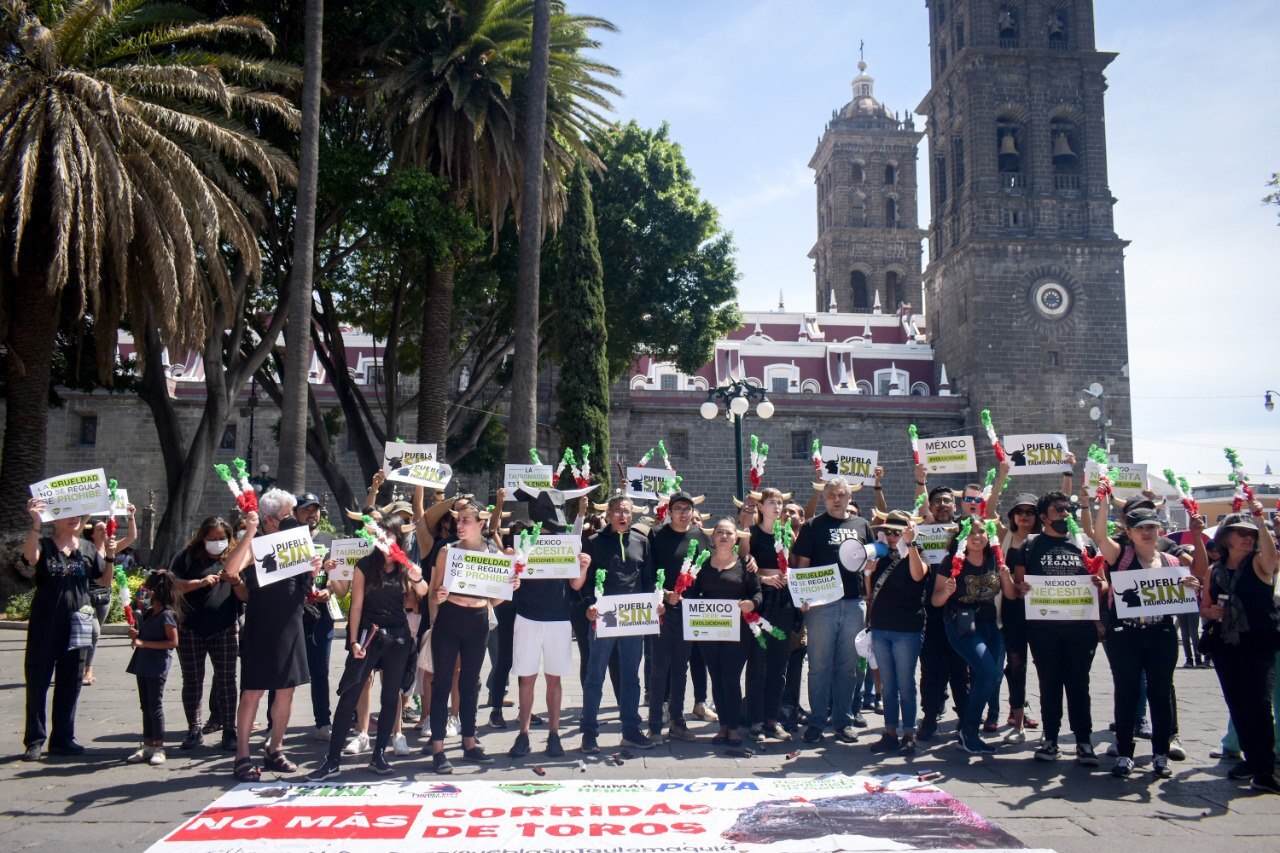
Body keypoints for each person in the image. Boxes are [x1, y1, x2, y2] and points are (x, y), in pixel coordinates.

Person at [308, 517, 428, 780]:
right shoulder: (365, 565)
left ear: (398, 538)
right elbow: (357, 606)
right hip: (368, 634)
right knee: (350, 694)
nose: (386, 539)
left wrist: (416, 577)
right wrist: (353, 642)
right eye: (382, 534)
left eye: (391, 535)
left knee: (390, 697)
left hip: (397, 637)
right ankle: (332, 760)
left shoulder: (404, 566)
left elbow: (423, 589)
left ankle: (379, 756)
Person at [225, 489, 322, 781]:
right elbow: (231, 570)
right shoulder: (256, 543)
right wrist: (250, 531)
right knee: (253, 691)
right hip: (261, 625)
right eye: (286, 516)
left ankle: (275, 748)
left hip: (291, 623)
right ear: (269, 519)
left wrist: (315, 569)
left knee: (286, 690)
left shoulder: (297, 542)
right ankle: (242, 755)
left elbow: (306, 584)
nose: (292, 520)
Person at [1093, 506, 1196, 779]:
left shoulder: (1171, 562)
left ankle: (1160, 753)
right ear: (1129, 533)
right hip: (1126, 635)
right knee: (1126, 693)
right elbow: (1100, 536)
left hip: (1161, 633)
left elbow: (1189, 585)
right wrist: (1101, 498)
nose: (1146, 532)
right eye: (1139, 528)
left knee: (1161, 694)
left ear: (1159, 531)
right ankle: (1125, 752)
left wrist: (1189, 585)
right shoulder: (1122, 557)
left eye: (1151, 527)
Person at [1009, 490, 1108, 765]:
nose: (1066, 514)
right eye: (1059, 510)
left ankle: (1083, 741)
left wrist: (1101, 586)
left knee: (1079, 684)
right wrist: (1022, 588)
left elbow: (1103, 582)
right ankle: (1050, 738)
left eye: (1068, 509)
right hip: (1043, 629)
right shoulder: (1029, 546)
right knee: (1049, 683)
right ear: (1044, 516)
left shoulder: (1083, 543)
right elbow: (1018, 588)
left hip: (1080, 628)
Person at [1192, 506, 1280, 794]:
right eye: (1241, 533)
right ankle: (1250, 760)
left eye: (1251, 534)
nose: (1248, 538)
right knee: (1237, 704)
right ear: (1226, 537)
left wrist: (1259, 521)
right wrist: (1211, 612)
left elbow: (1272, 556)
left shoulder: (1260, 563)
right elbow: (1204, 607)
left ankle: (1265, 769)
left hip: (1257, 643)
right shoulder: (1214, 570)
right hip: (1225, 646)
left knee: (1258, 704)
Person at [21, 498, 112, 761]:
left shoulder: (86, 547)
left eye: (77, 514)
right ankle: (35, 739)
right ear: (54, 518)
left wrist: (110, 556)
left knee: (71, 679)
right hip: (47, 618)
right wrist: (35, 525)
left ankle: (62, 738)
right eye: (66, 514)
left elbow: (103, 581)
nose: (74, 518)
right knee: (38, 678)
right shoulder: (44, 545)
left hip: (81, 618)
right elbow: (29, 558)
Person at [426, 502, 509, 773]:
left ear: (480, 523)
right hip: (449, 620)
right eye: (457, 520)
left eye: (465, 520)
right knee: (442, 683)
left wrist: (510, 586)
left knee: (470, 683)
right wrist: (437, 600)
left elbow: (495, 599)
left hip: (478, 621)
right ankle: (438, 749)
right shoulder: (447, 551)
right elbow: (434, 591)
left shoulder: (493, 552)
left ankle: (469, 743)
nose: (459, 525)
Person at [792, 477, 874, 744]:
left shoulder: (862, 525)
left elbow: (871, 564)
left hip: (853, 604)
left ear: (850, 497)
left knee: (848, 668)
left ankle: (843, 722)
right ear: (825, 498)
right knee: (818, 666)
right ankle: (816, 722)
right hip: (821, 607)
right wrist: (802, 595)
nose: (836, 499)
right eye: (831, 496)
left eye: (841, 495)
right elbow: (802, 565)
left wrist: (870, 601)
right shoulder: (813, 526)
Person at [580, 494, 658, 754]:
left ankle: (630, 729)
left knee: (631, 677)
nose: (622, 516)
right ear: (609, 514)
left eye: (626, 511)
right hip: (604, 617)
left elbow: (647, 579)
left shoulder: (642, 542)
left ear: (632, 514)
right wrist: (590, 604)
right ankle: (589, 732)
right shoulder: (593, 542)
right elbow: (587, 580)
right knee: (595, 674)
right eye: (617, 511)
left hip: (633, 619)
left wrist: (654, 602)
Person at [508, 525, 593, 759]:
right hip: (527, 616)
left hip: (558, 617)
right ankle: (523, 733)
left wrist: (583, 567)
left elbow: (576, 584)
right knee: (527, 677)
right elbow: (513, 576)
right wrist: (510, 565)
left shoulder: (568, 541)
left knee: (553, 678)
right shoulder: (525, 540)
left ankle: (553, 734)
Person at [933, 518, 1015, 754]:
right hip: (962, 623)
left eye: (982, 531)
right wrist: (946, 591)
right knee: (988, 673)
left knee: (991, 676)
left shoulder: (995, 559)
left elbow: (1009, 596)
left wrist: (1006, 577)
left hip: (990, 623)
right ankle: (969, 731)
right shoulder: (951, 561)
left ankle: (967, 731)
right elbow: (935, 601)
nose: (977, 536)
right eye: (971, 532)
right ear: (963, 538)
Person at [681, 518, 762, 752]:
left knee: (731, 678)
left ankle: (734, 727)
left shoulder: (745, 563)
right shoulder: (703, 564)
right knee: (716, 677)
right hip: (709, 631)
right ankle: (723, 726)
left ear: (736, 538)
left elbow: (757, 592)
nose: (724, 536)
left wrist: (751, 603)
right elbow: (693, 593)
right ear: (713, 538)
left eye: (728, 533)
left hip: (737, 633)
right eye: (719, 533)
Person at [171, 516, 241, 751]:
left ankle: (230, 729)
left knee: (227, 680)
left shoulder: (235, 557)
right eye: (212, 539)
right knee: (192, 679)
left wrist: (236, 581)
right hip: (191, 627)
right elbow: (172, 586)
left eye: (222, 539)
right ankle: (194, 729)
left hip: (225, 627)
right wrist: (199, 583)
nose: (217, 543)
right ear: (202, 538)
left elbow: (246, 594)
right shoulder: (186, 556)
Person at [866, 510, 930, 756]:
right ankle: (890, 732)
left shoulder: (917, 554)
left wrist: (911, 543)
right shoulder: (881, 556)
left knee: (906, 684)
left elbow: (917, 575)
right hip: (882, 627)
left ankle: (909, 735)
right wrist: (868, 574)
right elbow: (871, 595)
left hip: (907, 630)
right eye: (888, 531)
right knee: (889, 685)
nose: (892, 536)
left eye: (897, 532)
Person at [649, 491, 711, 742]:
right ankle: (654, 723)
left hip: (688, 612)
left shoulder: (700, 537)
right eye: (679, 509)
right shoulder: (655, 536)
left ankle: (678, 720)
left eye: (688, 509)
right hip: (663, 610)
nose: (683, 513)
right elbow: (648, 571)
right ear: (669, 512)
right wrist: (663, 594)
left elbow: (709, 569)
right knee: (658, 668)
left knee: (680, 668)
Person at [913, 485, 969, 740]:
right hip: (930, 609)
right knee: (930, 666)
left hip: (960, 607)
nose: (942, 505)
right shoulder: (920, 533)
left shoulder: (966, 532)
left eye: (947, 501)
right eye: (937, 502)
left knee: (961, 666)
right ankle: (930, 715)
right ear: (931, 507)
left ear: (955, 506)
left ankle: (966, 717)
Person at [745, 488, 797, 742]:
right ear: (761, 507)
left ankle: (772, 720)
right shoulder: (752, 534)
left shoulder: (788, 534)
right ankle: (754, 720)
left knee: (778, 664)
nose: (777, 507)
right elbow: (742, 568)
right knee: (758, 662)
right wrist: (764, 578)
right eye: (772, 503)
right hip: (762, 603)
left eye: (780, 503)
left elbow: (797, 566)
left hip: (784, 603)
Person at [994, 492, 1040, 740]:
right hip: (1012, 608)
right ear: (1012, 516)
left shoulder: (1044, 539)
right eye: (1019, 511)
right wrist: (1001, 476)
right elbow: (989, 511)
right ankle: (1017, 719)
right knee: (1015, 663)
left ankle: (1049, 724)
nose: (1024, 516)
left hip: (1042, 609)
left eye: (1030, 512)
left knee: (1045, 665)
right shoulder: (1006, 536)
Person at [125, 570, 182, 766]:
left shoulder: (167, 614)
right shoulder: (150, 612)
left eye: (148, 590)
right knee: (145, 705)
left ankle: (159, 746)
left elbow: (172, 642)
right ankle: (148, 744)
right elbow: (143, 635)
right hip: (143, 662)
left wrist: (144, 643)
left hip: (157, 664)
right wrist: (136, 636)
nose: (145, 593)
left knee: (155, 705)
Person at [82, 505, 137, 686]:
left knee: (92, 633)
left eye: (106, 528)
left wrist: (131, 517)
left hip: (104, 596)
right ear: (92, 534)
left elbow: (131, 537)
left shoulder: (109, 549)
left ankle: (85, 666)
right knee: (95, 632)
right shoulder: (84, 549)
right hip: (87, 596)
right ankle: (86, 668)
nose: (106, 530)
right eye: (101, 529)